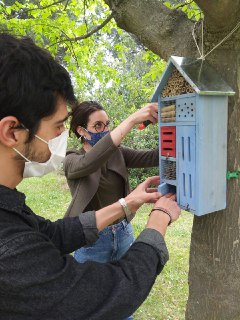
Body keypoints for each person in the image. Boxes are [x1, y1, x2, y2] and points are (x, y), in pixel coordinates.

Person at [0, 32, 181, 320]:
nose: (60, 133)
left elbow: (52, 233)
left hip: (118, 231)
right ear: (12, 132)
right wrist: (159, 218)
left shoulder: (11, 212)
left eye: (109, 124)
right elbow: (106, 295)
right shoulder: (73, 160)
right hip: (92, 244)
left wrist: (174, 131)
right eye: (58, 125)